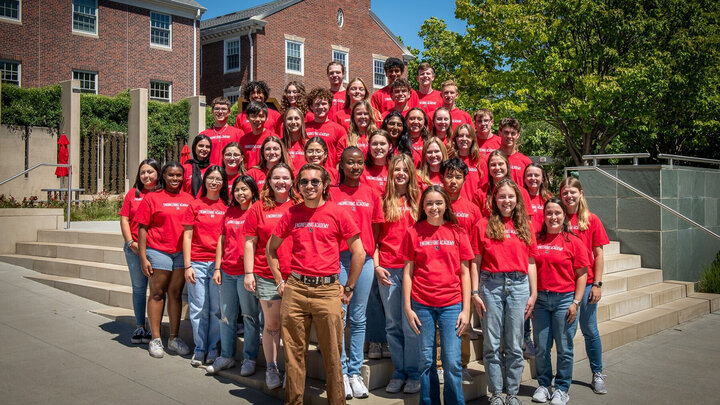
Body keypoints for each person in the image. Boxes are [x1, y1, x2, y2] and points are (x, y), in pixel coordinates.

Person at [267, 163, 366, 405]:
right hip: (297, 289)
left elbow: (359, 252)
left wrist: (349, 286)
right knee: (293, 355)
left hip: (327, 291)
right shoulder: (291, 213)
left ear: (324, 185)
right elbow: (271, 249)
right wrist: (280, 280)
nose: (309, 186)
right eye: (304, 182)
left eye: (314, 182)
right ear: (297, 186)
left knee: (333, 356)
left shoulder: (338, 212)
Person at [403, 185, 473, 405]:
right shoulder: (413, 232)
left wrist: (466, 310)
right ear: (423, 206)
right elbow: (408, 272)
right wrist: (407, 307)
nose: (434, 207)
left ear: (446, 205)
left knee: (452, 362)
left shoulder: (457, 232)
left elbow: (465, 272)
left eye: (438, 203)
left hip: (452, 305)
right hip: (422, 304)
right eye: (429, 203)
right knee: (426, 361)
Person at [471, 178, 538, 405]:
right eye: (502, 196)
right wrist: (474, 291)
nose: (506, 200)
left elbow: (530, 262)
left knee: (514, 343)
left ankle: (512, 392)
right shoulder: (483, 224)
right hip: (491, 284)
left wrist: (533, 293)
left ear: (517, 199)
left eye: (510, 196)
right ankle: (497, 393)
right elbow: (475, 262)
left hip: (519, 285)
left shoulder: (525, 226)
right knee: (492, 343)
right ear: (494, 199)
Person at [330, 147, 385, 399]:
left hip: (363, 260)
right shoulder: (331, 193)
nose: (355, 167)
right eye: (350, 163)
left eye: (359, 163)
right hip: (338, 259)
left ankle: (354, 372)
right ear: (340, 165)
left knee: (359, 317)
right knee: (340, 316)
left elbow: (375, 228)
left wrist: (370, 254)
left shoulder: (371, 193)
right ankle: (340, 371)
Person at [243, 163, 301, 389]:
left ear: (292, 181)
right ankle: (271, 366)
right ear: (269, 181)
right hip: (267, 275)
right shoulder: (258, 208)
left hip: (296, 275)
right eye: (276, 177)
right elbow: (250, 242)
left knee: (294, 326)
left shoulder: (299, 205)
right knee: (272, 324)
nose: (281, 182)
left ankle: (292, 369)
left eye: (285, 178)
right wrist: (249, 273)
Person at [531, 197, 590, 405]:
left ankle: (562, 388)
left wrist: (576, 302)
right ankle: (544, 385)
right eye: (549, 213)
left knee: (564, 348)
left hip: (564, 300)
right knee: (541, 347)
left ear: (564, 216)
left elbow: (582, 274)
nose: (553, 217)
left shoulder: (574, 242)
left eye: (557, 213)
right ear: (544, 216)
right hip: (540, 300)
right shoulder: (537, 239)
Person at [136, 162, 194, 358]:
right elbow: (142, 228)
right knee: (157, 293)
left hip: (180, 254)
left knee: (175, 294)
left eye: (178, 175)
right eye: (171, 175)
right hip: (158, 251)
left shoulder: (188, 199)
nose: (175, 179)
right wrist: (143, 257)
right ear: (164, 176)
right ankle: (155, 338)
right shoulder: (152, 198)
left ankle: (174, 338)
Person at [375, 153, 422, 394]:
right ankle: (399, 371)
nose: (401, 173)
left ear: (411, 174)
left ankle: (414, 372)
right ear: (391, 173)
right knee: (393, 324)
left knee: (410, 323)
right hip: (388, 269)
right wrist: (376, 265)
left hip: (413, 270)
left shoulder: (420, 201)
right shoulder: (383, 201)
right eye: (397, 170)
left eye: (405, 169)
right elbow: (373, 238)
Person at [559, 177, 610, 395]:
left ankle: (597, 372)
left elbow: (598, 254)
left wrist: (597, 284)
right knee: (566, 334)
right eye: (565, 192)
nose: (568, 196)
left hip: (588, 285)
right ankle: (563, 380)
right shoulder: (557, 217)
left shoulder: (591, 220)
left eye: (572, 192)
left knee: (590, 330)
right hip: (564, 285)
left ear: (581, 193)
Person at [206, 175, 260, 375]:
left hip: (247, 273)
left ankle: (250, 358)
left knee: (249, 317)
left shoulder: (258, 210)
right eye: (237, 190)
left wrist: (251, 272)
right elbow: (221, 240)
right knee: (227, 317)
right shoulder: (229, 212)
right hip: (227, 272)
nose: (240, 193)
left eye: (244, 189)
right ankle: (227, 356)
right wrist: (218, 268)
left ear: (253, 191)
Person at [182, 166, 229, 367]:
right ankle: (199, 348)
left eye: (218, 179)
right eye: (211, 178)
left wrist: (218, 266)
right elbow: (187, 235)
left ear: (223, 183)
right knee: (198, 307)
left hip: (218, 265)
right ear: (204, 180)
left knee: (216, 309)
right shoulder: (195, 205)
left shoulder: (227, 206)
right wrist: (187, 266)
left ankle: (212, 348)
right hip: (198, 263)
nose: (214, 182)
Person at [440, 158, 481, 384]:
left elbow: (475, 252)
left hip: (462, 275)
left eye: (458, 177)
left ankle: (462, 365)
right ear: (442, 177)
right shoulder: (434, 203)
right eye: (449, 176)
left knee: (462, 324)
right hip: (436, 274)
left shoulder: (472, 210)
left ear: (465, 179)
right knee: (437, 327)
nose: (453, 181)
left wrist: (474, 287)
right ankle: (439, 365)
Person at [119, 158, 160, 344]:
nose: (146, 175)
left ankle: (154, 328)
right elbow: (124, 219)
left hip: (156, 249)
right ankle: (139, 326)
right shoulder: (132, 194)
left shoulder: (162, 194)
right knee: (138, 288)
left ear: (158, 173)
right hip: (134, 249)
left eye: (150, 172)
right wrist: (130, 242)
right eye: (143, 172)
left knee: (157, 290)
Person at [473, 150, 533, 219]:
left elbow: (527, 221)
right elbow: (477, 223)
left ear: (507, 166)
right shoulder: (480, 194)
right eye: (493, 165)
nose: (497, 168)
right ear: (488, 168)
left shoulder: (522, 192)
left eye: (501, 164)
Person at [305, 87, 348, 168]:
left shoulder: (339, 130)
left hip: (330, 175)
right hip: (308, 174)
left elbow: (342, 158)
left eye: (324, 104)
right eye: (317, 104)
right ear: (311, 106)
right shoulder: (304, 128)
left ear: (329, 105)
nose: (321, 107)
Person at [201, 97, 242, 165]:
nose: (220, 112)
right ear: (212, 111)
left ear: (229, 112)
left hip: (230, 172)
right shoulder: (204, 135)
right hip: (211, 173)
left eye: (223, 109)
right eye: (217, 109)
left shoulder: (238, 133)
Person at [448, 123, 484, 201]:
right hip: (453, 205)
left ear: (472, 139)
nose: (464, 139)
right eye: (461, 136)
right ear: (455, 139)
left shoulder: (479, 161)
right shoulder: (448, 159)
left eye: (468, 136)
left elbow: (483, 189)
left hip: (474, 207)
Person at [237, 101, 275, 169]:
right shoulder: (243, 140)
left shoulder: (273, 138)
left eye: (261, 116)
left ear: (266, 118)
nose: (257, 119)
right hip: (248, 177)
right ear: (247, 117)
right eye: (254, 116)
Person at [496, 117, 531, 185]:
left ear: (518, 135)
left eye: (513, 133)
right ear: (499, 133)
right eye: (506, 132)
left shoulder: (525, 162)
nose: (509, 136)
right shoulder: (490, 160)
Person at [361, 129, 393, 197]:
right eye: (374, 144)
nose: (378, 147)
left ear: (390, 146)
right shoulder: (361, 170)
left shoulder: (395, 169)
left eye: (382, 144)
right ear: (369, 147)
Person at [524, 163, 553, 229]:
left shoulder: (549, 199)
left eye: (536, 175)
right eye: (529, 175)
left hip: (544, 237)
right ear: (524, 178)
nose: (533, 178)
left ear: (542, 179)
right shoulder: (519, 197)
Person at [282, 107, 310, 172]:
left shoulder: (309, 144)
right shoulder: (280, 144)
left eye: (296, 118)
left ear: (302, 121)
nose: (293, 122)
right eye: (289, 119)